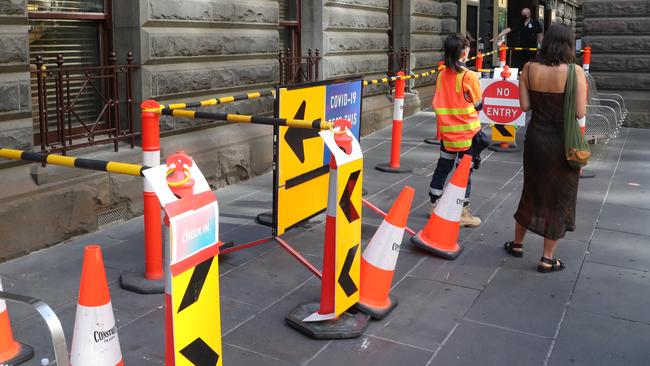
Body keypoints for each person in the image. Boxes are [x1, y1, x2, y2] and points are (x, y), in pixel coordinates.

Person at [502, 25, 587, 273]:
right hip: (563, 142)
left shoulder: (528, 68)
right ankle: (547, 258)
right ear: (569, 45)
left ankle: (517, 244)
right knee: (559, 196)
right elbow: (580, 112)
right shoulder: (575, 72)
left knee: (532, 189)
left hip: (536, 138)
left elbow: (525, 106)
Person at [429, 34, 483, 228]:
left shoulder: (442, 75)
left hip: (447, 134)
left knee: (443, 167)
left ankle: (435, 204)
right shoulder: (469, 76)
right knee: (464, 172)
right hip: (467, 135)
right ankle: (462, 211)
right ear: (464, 52)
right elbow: (478, 104)